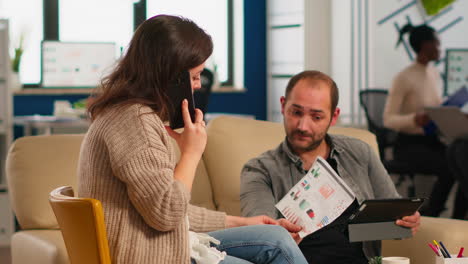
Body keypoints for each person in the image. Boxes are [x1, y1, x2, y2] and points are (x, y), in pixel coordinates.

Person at [78, 15, 308, 264]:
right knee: (270, 252)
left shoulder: (129, 114)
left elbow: (168, 210)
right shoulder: (136, 123)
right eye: (195, 75)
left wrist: (242, 222)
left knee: (276, 237)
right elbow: (166, 213)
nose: (198, 85)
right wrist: (191, 152)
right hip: (149, 256)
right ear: (171, 77)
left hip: (160, 243)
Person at [240, 70, 421, 264]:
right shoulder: (259, 170)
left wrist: (407, 220)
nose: (303, 126)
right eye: (296, 112)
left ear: (334, 117)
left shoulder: (359, 153)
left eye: (316, 117)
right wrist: (279, 232)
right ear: (283, 106)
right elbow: (261, 238)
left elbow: (394, 214)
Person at [383, 23, 456, 217]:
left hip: (432, 141)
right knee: (450, 167)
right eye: (437, 43)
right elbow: (388, 119)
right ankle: (434, 214)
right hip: (409, 146)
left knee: (460, 160)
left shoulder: (433, 74)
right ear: (425, 46)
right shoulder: (404, 77)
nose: (440, 48)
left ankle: (457, 218)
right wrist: (415, 119)